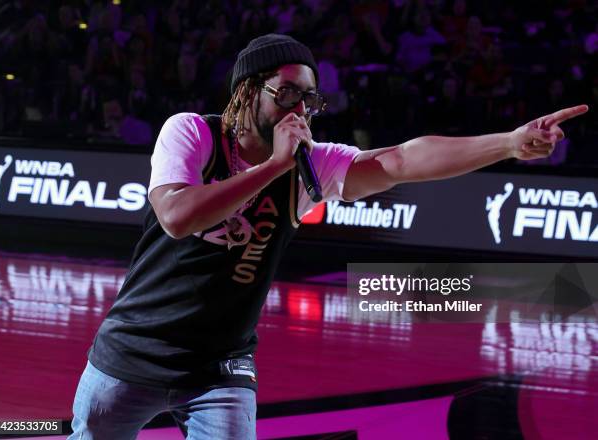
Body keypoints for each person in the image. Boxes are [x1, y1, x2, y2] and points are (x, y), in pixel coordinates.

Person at [68, 33, 588, 440]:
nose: (298, 110)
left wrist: (508, 144)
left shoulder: (308, 165)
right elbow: (177, 216)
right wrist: (272, 166)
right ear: (248, 91)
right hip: (133, 352)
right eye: (286, 94)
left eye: (308, 99)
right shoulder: (192, 133)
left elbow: (403, 159)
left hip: (219, 368)